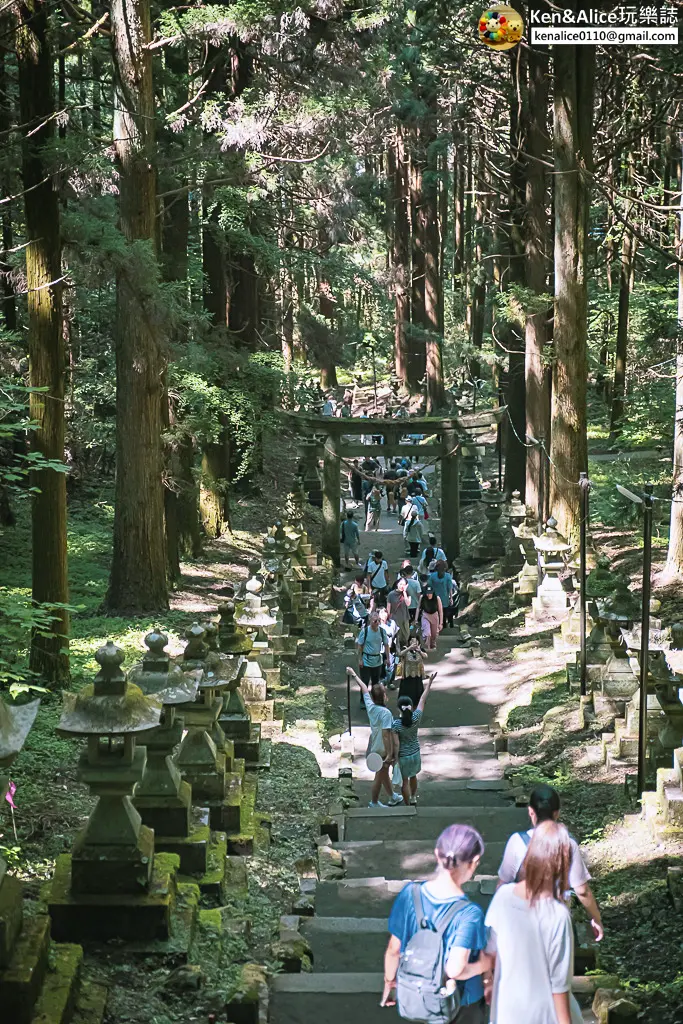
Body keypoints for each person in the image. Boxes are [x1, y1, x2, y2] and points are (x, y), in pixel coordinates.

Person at [382, 824, 491, 1022]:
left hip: (418, 994)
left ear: (436, 854)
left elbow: (393, 950)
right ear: (474, 862)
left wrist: (390, 981)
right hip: (460, 1003)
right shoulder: (469, 914)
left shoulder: (409, 894)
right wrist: (486, 965)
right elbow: (455, 970)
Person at [485, 821, 584, 1024]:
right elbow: (559, 988)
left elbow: (489, 954)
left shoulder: (503, 896)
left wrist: (487, 982)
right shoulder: (557, 916)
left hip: (506, 1011)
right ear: (563, 863)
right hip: (543, 1014)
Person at [496, 784, 604, 941]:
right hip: (556, 921)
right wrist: (596, 919)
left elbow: (502, 885)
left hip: (522, 920)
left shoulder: (517, 842)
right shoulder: (568, 843)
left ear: (531, 812)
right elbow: (582, 891)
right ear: (557, 813)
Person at [347, 668, 401, 808]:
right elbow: (386, 734)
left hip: (373, 745)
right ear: (384, 696)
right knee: (380, 774)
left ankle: (392, 796)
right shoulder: (386, 714)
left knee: (383, 773)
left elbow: (364, 688)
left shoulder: (371, 707)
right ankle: (374, 802)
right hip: (382, 747)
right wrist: (390, 753)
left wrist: (354, 674)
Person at [392, 674, 434, 806]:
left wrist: (395, 758)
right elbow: (422, 699)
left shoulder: (396, 724)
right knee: (413, 776)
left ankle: (407, 804)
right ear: (411, 706)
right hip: (415, 752)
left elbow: (396, 743)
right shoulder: (416, 718)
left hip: (403, 756)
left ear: (399, 708)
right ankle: (414, 797)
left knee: (404, 781)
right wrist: (429, 683)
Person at [355, 610, 390, 694]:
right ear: (370, 621)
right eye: (375, 621)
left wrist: (388, 658)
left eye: (379, 620)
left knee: (376, 684)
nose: (377, 623)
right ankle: (363, 702)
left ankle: (375, 701)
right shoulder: (365, 631)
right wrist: (360, 659)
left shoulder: (382, 632)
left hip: (377, 661)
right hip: (366, 660)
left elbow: (386, 645)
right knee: (365, 683)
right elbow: (360, 646)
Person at [429, 561, 458, 629]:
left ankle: (437, 626)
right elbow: (450, 588)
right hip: (443, 598)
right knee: (443, 613)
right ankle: (443, 625)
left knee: (437, 612)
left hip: (436, 598)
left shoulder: (432, 576)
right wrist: (450, 597)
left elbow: (429, 586)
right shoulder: (447, 576)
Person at [378, 607, 400, 688]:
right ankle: (382, 680)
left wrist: (398, 647)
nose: (384, 615)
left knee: (392, 664)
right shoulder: (378, 625)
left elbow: (397, 634)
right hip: (381, 649)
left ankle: (390, 681)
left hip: (391, 648)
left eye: (385, 613)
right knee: (381, 665)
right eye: (382, 613)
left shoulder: (392, 623)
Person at [417, 583, 443, 650]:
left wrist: (441, 623)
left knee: (434, 634)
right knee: (427, 632)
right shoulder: (422, 597)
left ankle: (433, 644)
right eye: (427, 593)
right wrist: (415, 619)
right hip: (425, 615)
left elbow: (440, 611)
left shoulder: (437, 598)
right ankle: (427, 646)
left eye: (430, 593)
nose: (429, 595)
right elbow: (418, 608)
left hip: (434, 616)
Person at [386, 578, 411, 646]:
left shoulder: (407, 593)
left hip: (404, 617)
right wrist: (387, 618)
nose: (402, 586)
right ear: (397, 584)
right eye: (400, 584)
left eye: (404, 584)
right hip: (395, 619)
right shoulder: (391, 594)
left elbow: (408, 603)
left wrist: (404, 593)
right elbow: (388, 607)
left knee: (406, 634)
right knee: (398, 637)